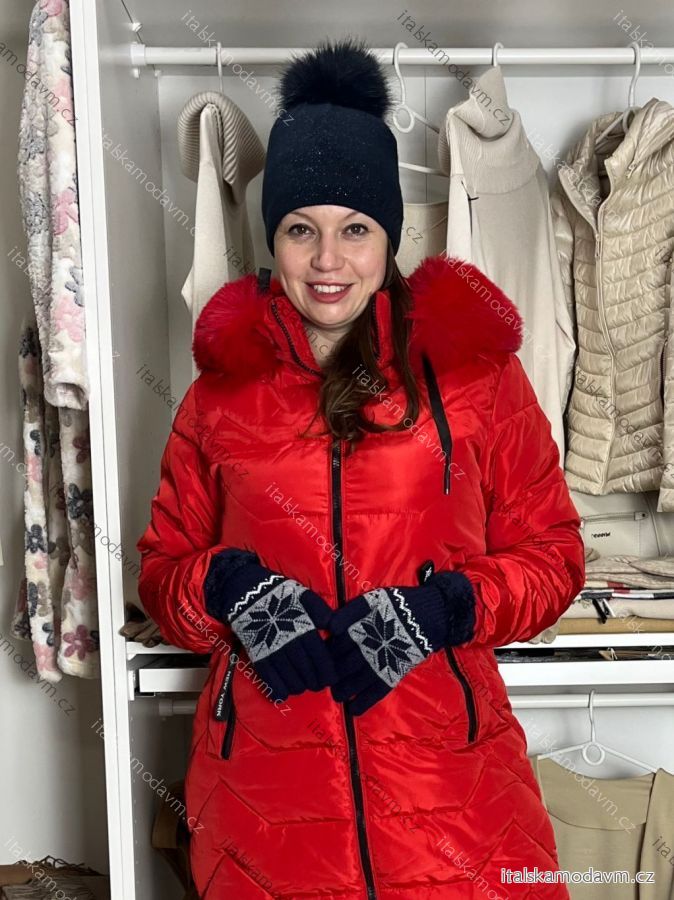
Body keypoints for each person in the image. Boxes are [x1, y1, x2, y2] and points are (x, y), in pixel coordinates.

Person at [137, 36, 585, 900]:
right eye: (300, 230)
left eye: (355, 229)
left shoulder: (475, 378)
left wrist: (448, 607)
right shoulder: (219, 396)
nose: (328, 261)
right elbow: (163, 577)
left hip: (453, 803)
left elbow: (555, 559)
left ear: (389, 236)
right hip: (266, 810)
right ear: (274, 237)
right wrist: (227, 586)